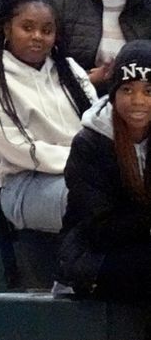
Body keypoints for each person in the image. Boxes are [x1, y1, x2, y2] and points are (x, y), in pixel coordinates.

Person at [0, 0, 97, 234]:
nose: (37, 37)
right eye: (27, 28)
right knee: (97, 200)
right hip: (26, 185)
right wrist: (82, 163)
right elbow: (18, 149)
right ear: (7, 30)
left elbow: (98, 123)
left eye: (46, 30)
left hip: (86, 172)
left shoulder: (70, 70)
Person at [58, 39, 151, 301]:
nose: (138, 101)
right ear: (113, 93)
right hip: (93, 256)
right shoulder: (89, 143)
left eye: (148, 91)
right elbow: (99, 228)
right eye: (128, 90)